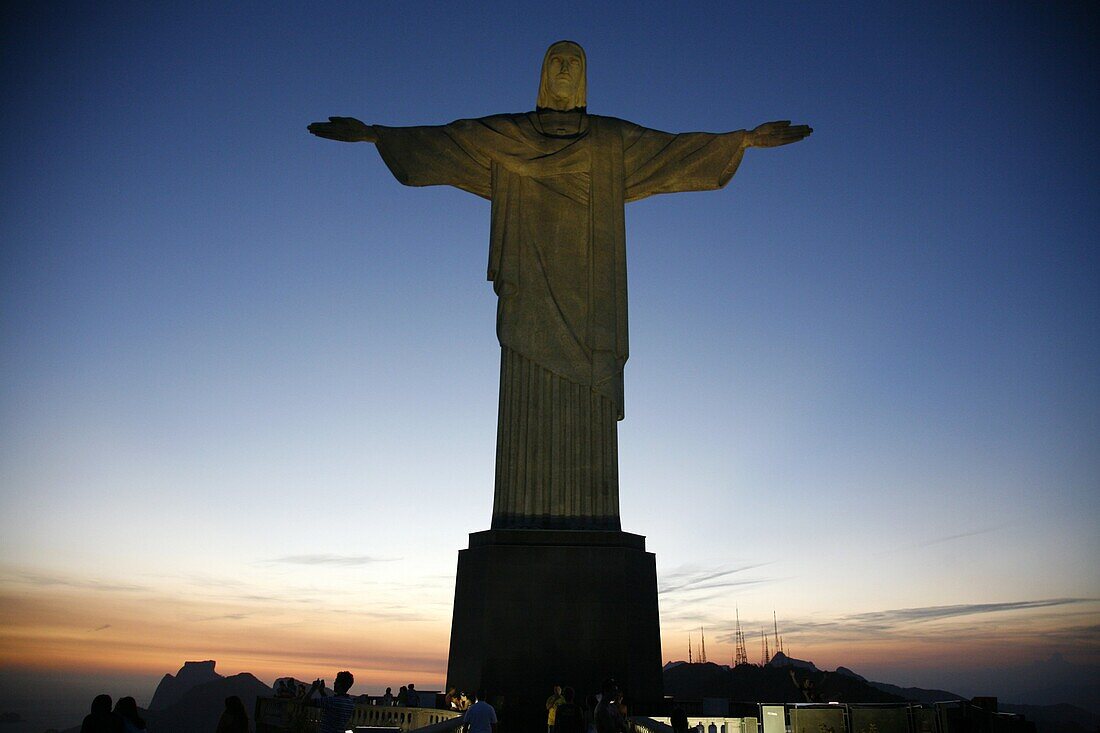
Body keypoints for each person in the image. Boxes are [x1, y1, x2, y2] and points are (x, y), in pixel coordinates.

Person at [308, 41, 811, 534]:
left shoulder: (611, 141)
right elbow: (445, 142)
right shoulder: (506, 136)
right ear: (545, 74)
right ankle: (520, 515)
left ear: (585, 76)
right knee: (526, 386)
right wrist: (376, 135)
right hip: (528, 285)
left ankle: (591, 519)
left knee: (588, 394)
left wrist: (741, 140)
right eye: (558, 62)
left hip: (591, 294)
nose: (566, 70)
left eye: (575, 63)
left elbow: (675, 151)